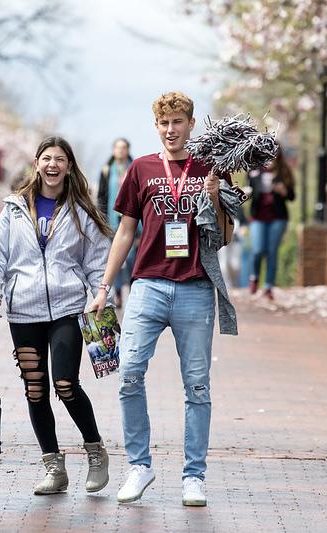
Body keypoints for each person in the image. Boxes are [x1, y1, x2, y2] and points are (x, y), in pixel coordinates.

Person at [90, 91, 232, 507]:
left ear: (191, 124)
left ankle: (194, 476)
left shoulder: (210, 167)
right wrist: (104, 288)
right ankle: (140, 465)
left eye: (178, 122)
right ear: (156, 127)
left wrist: (214, 197)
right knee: (129, 372)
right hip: (147, 286)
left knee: (198, 386)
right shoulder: (141, 168)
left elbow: (224, 236)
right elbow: (125, 231)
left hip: (195, 288)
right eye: (164, 123)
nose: (171, 130)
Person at [0, 136, 113, 495]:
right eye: (47, 158)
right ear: (37, 163)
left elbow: (98, 261)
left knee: (65, 384)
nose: (53, 165)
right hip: (23, 311)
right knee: (35, 390)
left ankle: (95, 451)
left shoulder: (81, 211)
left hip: (68, 309)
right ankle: (54, 467)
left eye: (61, 159)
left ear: (69, 166)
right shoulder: (14, 209)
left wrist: (100, 295)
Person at [246, 147, 295, 299]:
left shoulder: (284, 172)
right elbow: (248, 190)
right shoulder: (254, 170)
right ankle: (254, 276)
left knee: (272, 251)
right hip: (258, 217)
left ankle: (268, 287)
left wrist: (283, 191)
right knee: (258, 250)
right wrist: (245, 192)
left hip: (278, 217)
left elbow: (292, 196)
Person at [97, 138, 136, 307]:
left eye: (124, 148)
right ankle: (118, 293)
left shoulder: (135, 168)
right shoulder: (106, 170)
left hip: (134, 221)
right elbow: (102, 197)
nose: (120, 151)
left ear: (128, 150)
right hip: (112, 221)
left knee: (133, 258)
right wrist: (102, 221)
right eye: (118, 148)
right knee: (116, 258)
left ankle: (135, 292)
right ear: (113, 150)